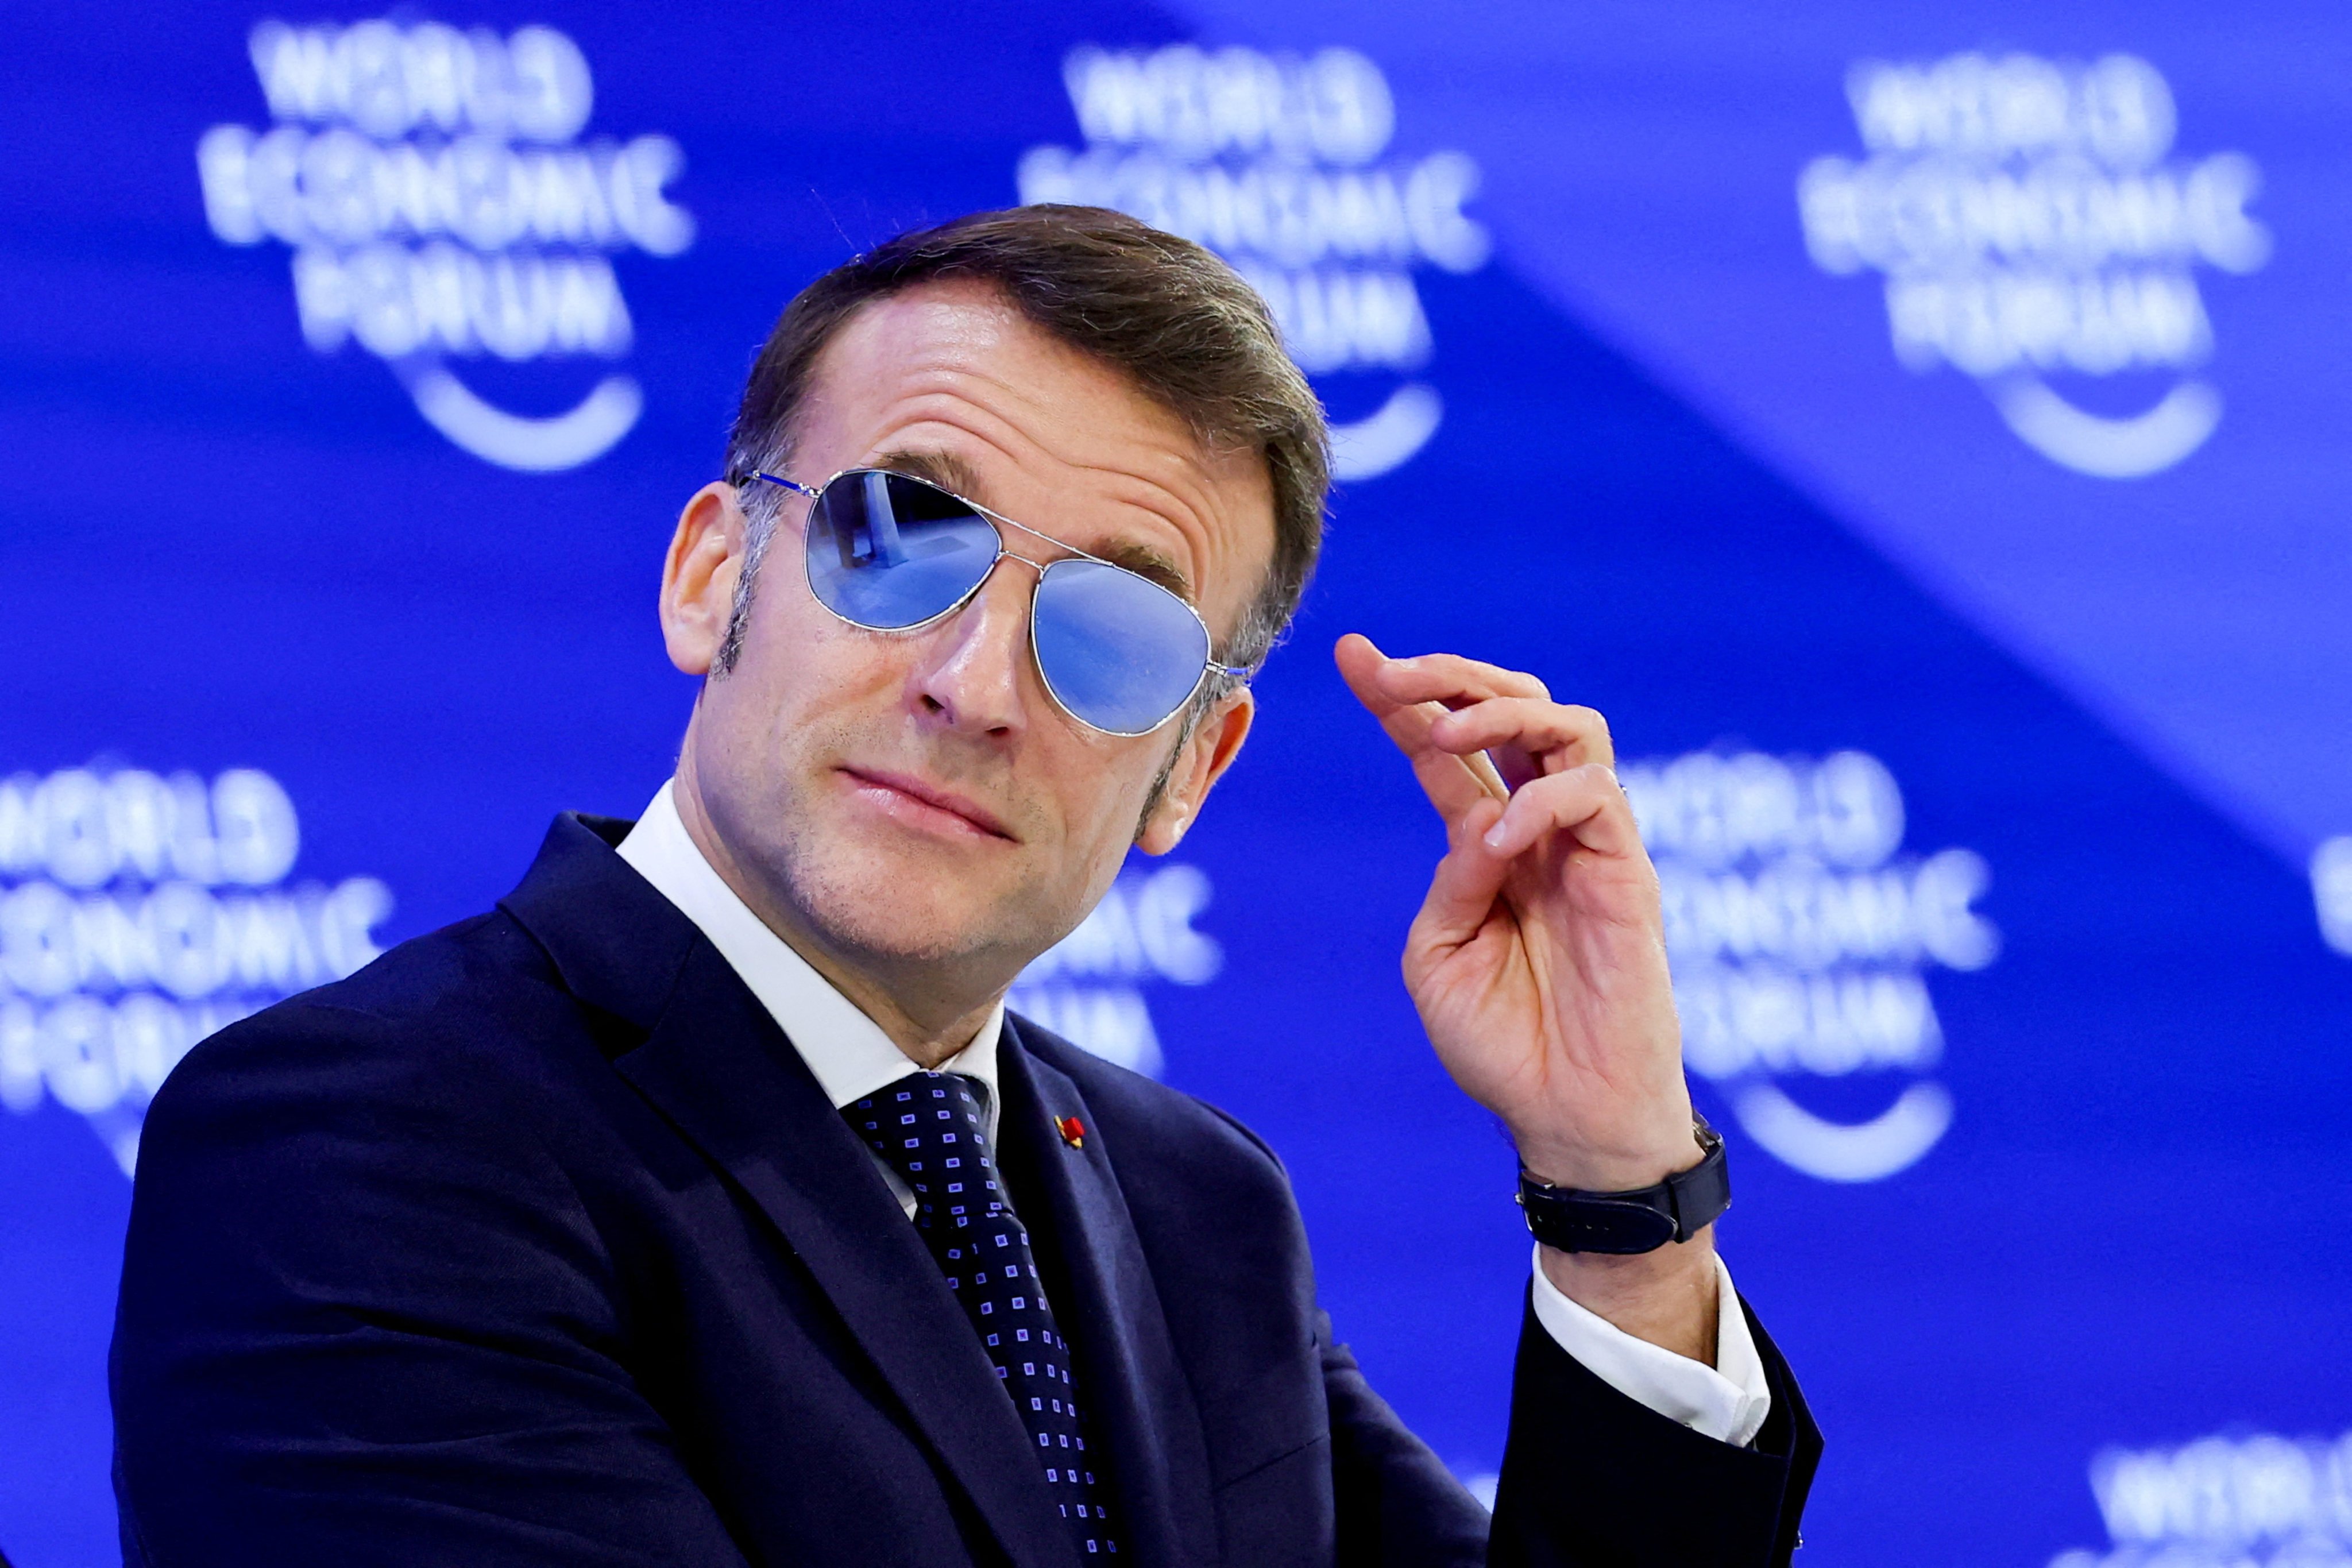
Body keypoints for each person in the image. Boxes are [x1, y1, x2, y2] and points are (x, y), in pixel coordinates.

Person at [111, 206, 1819, 1566]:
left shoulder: (1196, 1205)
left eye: (1114, 629)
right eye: (900, 535)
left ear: (1188, 771)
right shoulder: (360, 1135)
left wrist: (1615, 1190)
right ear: (717, 576)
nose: (978, 682)